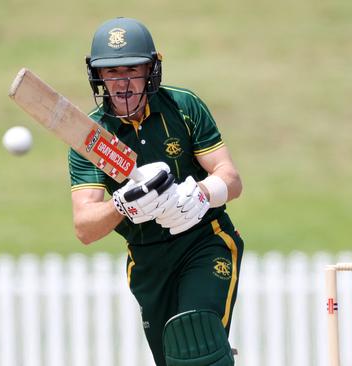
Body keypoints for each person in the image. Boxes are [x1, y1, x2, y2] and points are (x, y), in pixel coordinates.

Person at [69, 17, 243, 366]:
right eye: (112, 72)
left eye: (132, 69)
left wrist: (200, 194)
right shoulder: (91, 137)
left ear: (151, 69)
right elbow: (85, 227)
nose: (123, 82)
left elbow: (231, 178)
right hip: (147, 260)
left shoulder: (182, 106)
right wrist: (123, 204)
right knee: (172, 359)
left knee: (197, 343)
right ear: (98, 76)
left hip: (203, 243)